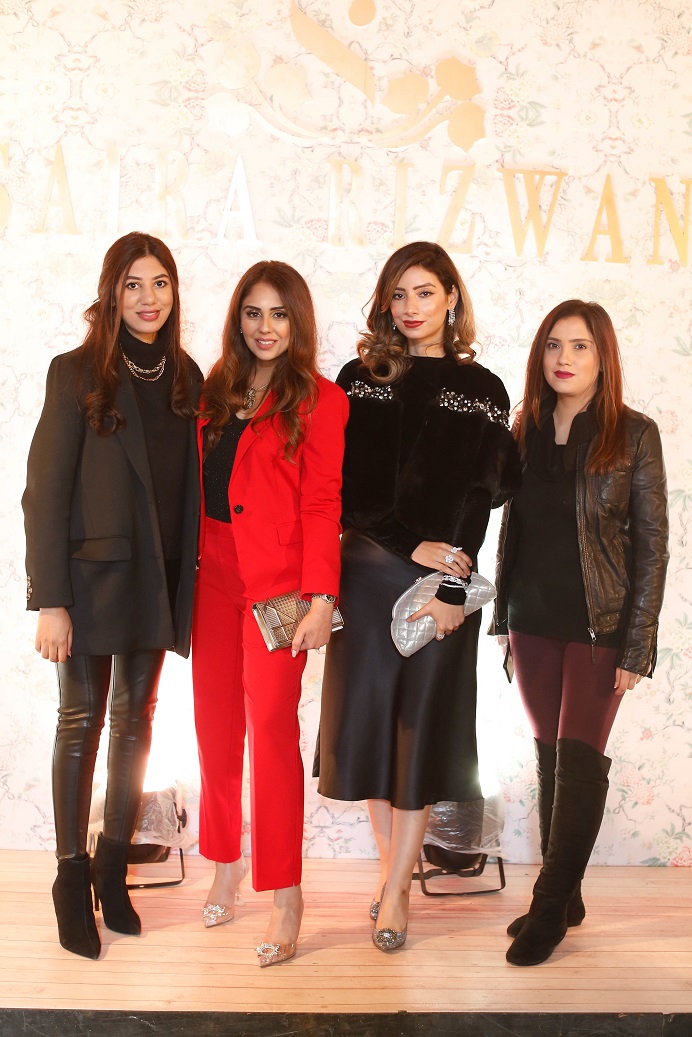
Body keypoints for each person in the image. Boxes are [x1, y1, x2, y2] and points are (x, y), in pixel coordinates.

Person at [314, 241, 521, 951]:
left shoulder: (483, 388)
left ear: (452, 298)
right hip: (366, 577)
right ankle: (393, 878)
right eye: (398, 295)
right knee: (375, 736)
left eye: (425, 293)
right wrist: (411, 545)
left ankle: (396, 890)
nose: (411, 308)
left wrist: (454, 587)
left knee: (419, 736)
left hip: (441, 588)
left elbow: (479, 500)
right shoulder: (358, 380)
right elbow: (345, 492)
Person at [23, 232, 203, 960]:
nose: (148, 298)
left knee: (136, 724)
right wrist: (50, 599)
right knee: (81, 721)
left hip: (157, 579)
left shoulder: (186, 376)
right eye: (133, 284)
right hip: (89, 583)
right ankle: (70, 878)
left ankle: (111, 867)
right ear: (112, 292)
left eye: (160, 283)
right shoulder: (76, 373)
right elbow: (44, 492)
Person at [492, 299, 668, 966]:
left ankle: (547, 908)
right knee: (550, 756)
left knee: (581, 756)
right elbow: (510, 528)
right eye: (553, 345)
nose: (564, 358)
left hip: (600, 626)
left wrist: (637, 646)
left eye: (580, 346)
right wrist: (503, 619)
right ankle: (568, 898)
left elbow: (652, 547)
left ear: (603, 358)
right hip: (531, 621)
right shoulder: (525, 431)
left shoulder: (635, 435)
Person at [192, 261, 348, 968]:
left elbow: (322, 502)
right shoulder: (213, 389)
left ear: (298, 322)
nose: (265, 327)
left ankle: (286, 894)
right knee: (215, 728)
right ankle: (224, 863)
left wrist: (322, 597)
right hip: (211, 574)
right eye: (253, 312)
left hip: (278, 586)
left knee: (273, 736)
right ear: (238, 319)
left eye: (279, 314)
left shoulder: (322, 400)